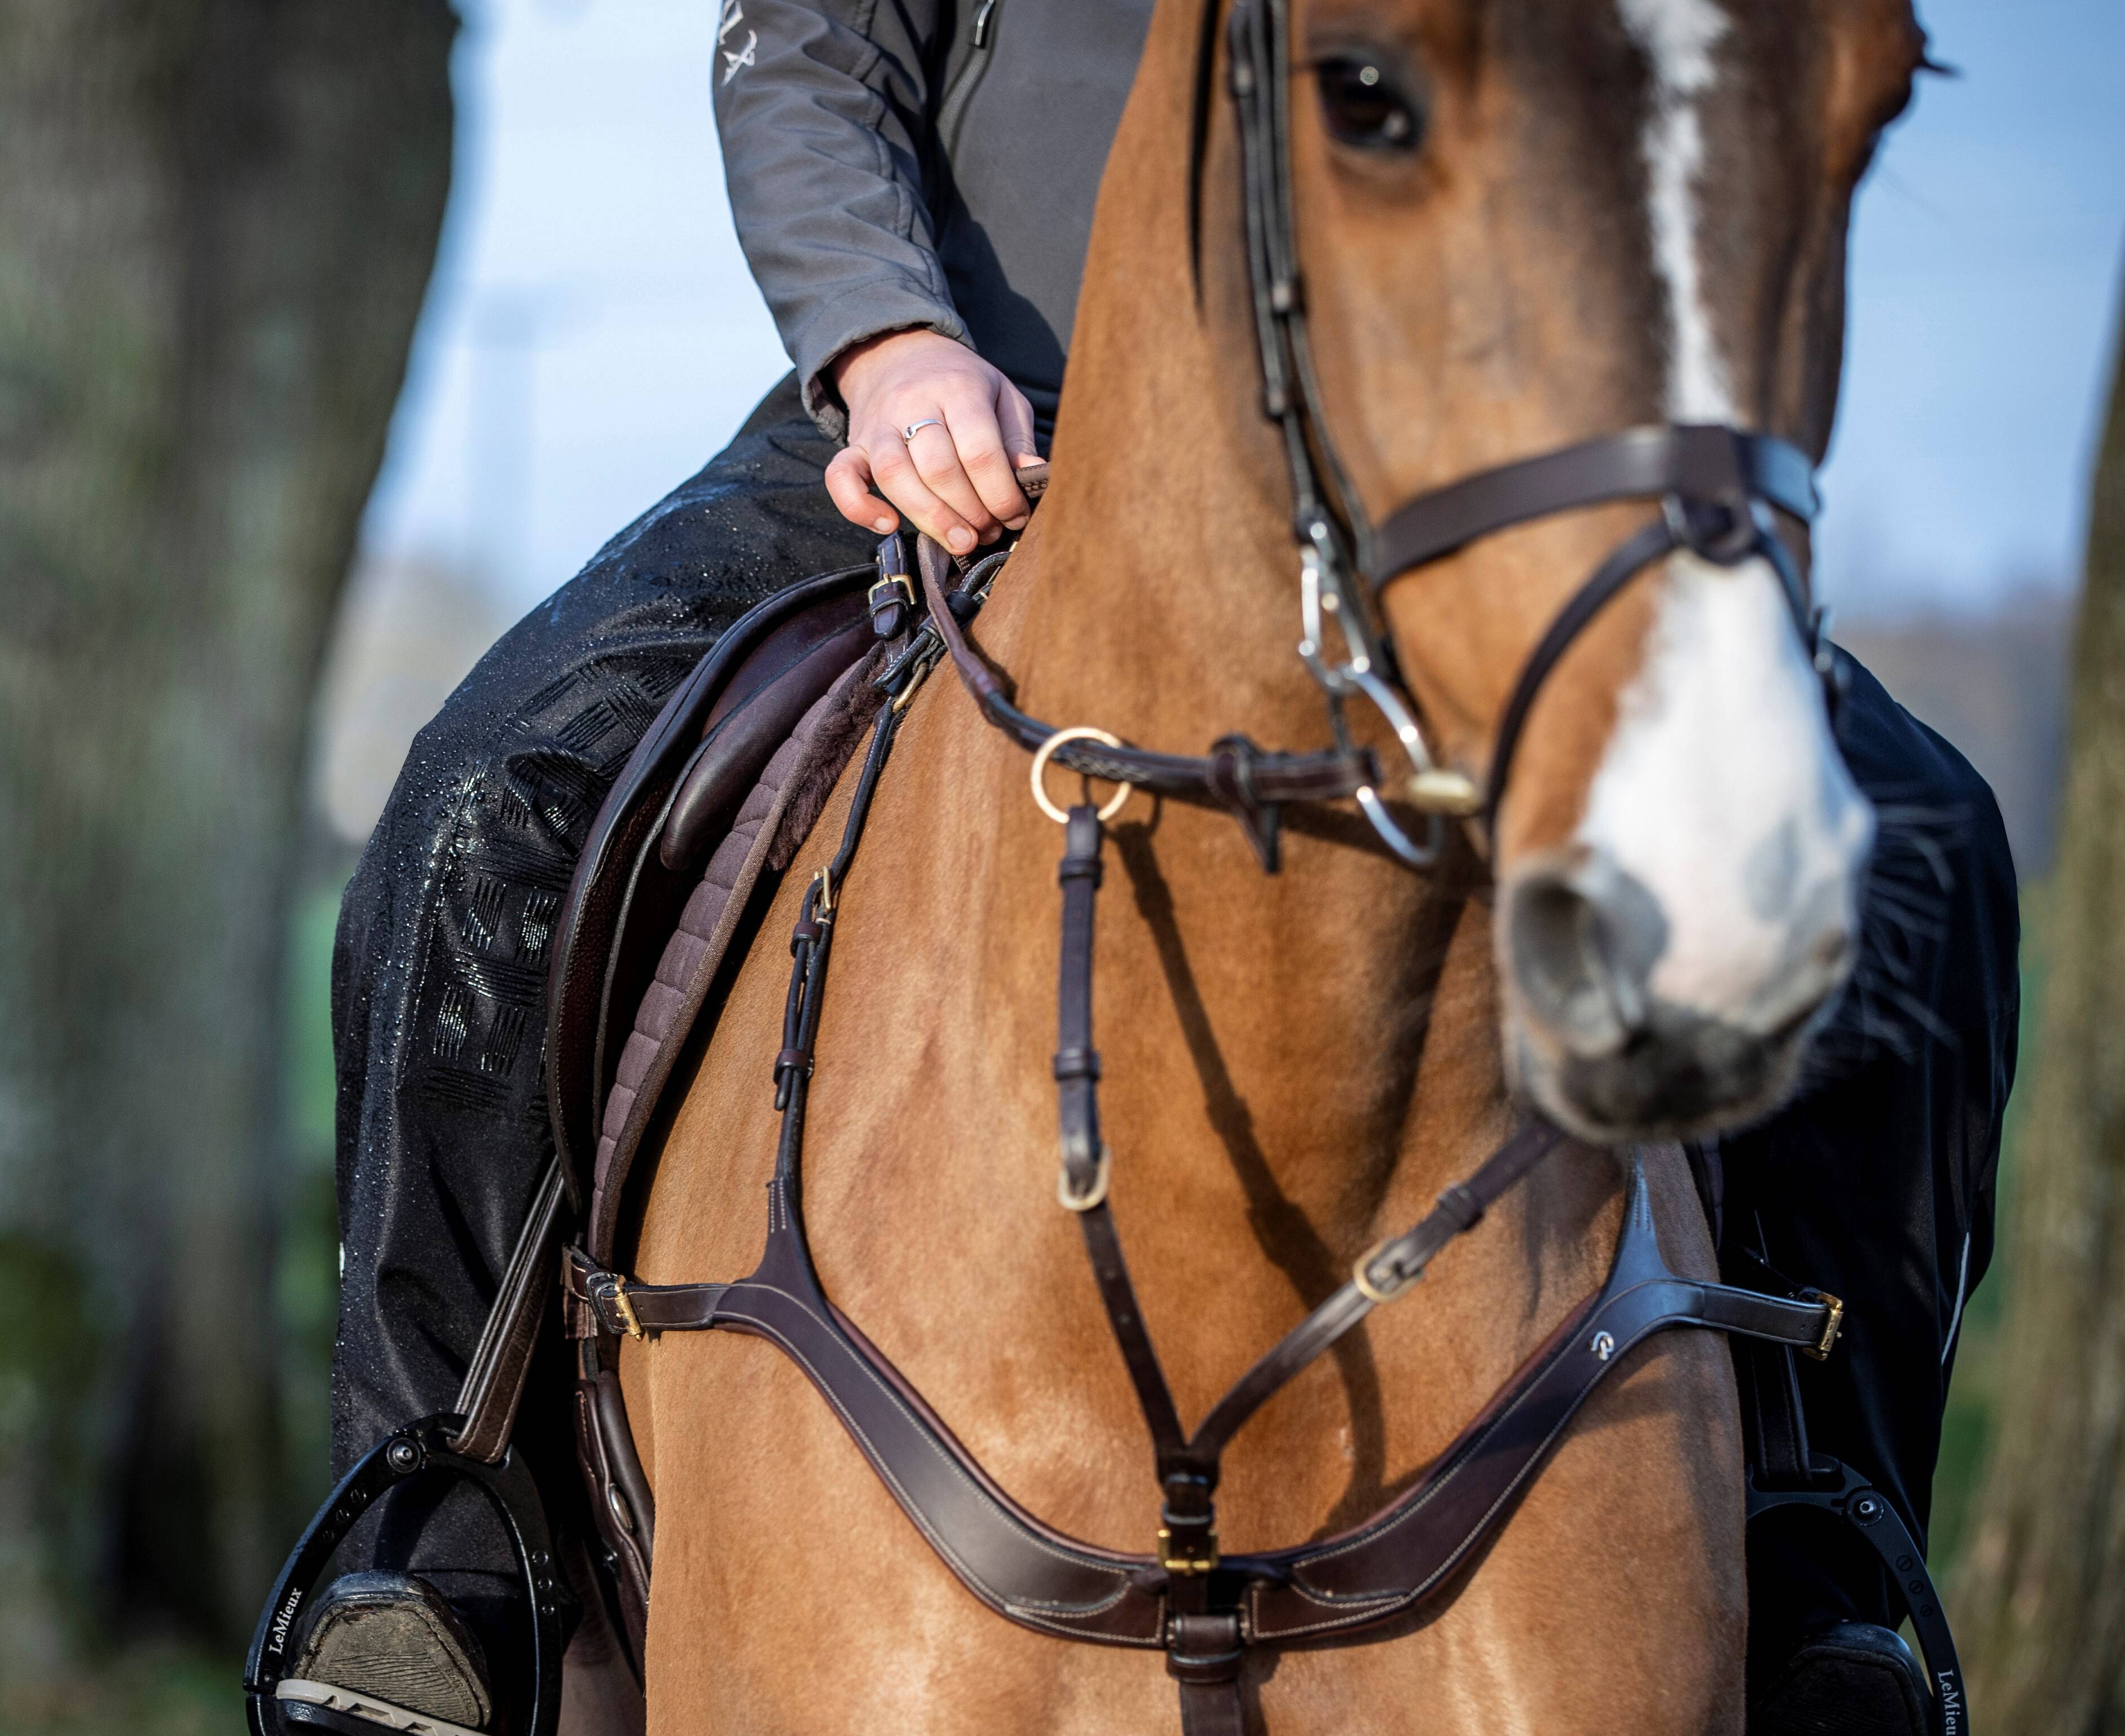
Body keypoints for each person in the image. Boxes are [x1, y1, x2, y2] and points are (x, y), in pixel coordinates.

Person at [293, 5, 2018, 1733]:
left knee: (1914, 841)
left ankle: (1816, 1537)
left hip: (1443, 447)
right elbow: (807, 51)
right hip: (953, 435)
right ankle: (444, 1534)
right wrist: (888, 341)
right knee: (488, 800)